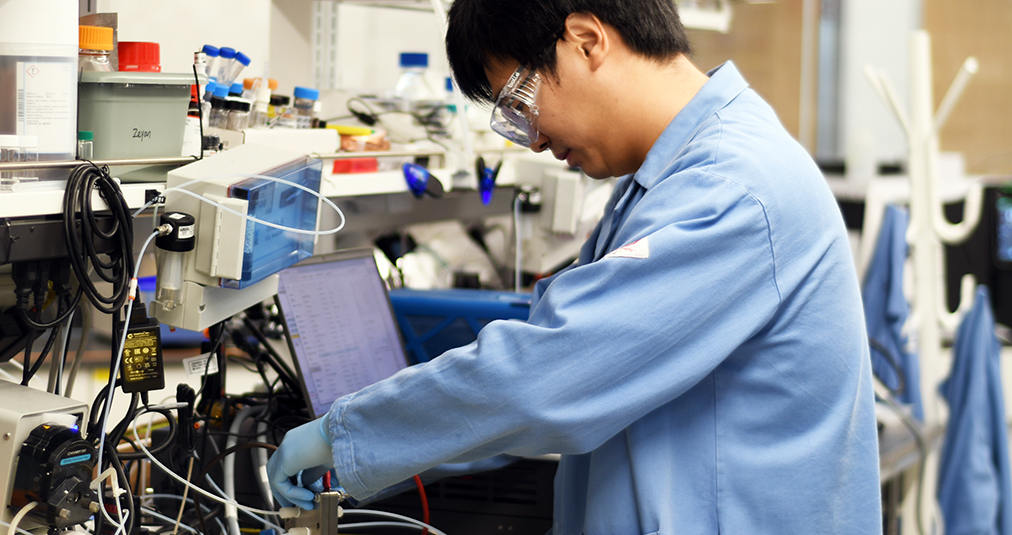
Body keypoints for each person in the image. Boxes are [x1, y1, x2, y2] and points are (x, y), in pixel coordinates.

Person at [267, 0, 882, 532]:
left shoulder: (735, 190)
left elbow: (543, 379)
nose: (531, 138)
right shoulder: (664, 180)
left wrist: (346, 436)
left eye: (520, 100)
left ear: (587, 41)